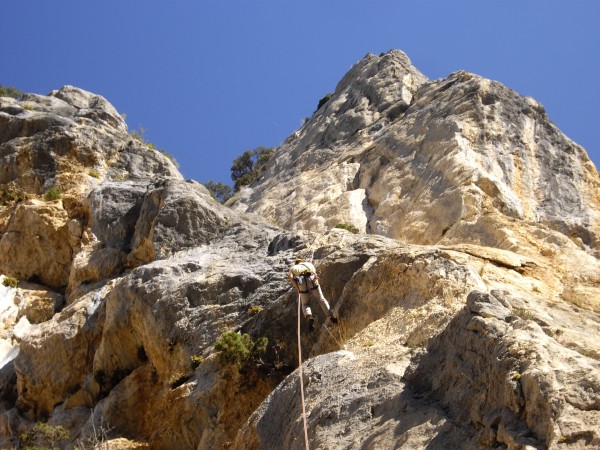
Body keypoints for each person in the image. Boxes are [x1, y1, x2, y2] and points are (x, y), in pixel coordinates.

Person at [288, 258, 337, 331]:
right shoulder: (309, 264)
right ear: (302, 261)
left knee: (305, 304)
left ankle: (309, 317)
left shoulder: (293, 268)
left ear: (296, 263)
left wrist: (298, 288)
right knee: (321, 299)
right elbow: (315, 275)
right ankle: (331, 316)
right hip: (312, 279)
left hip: (302, 282)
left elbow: (290, 276)